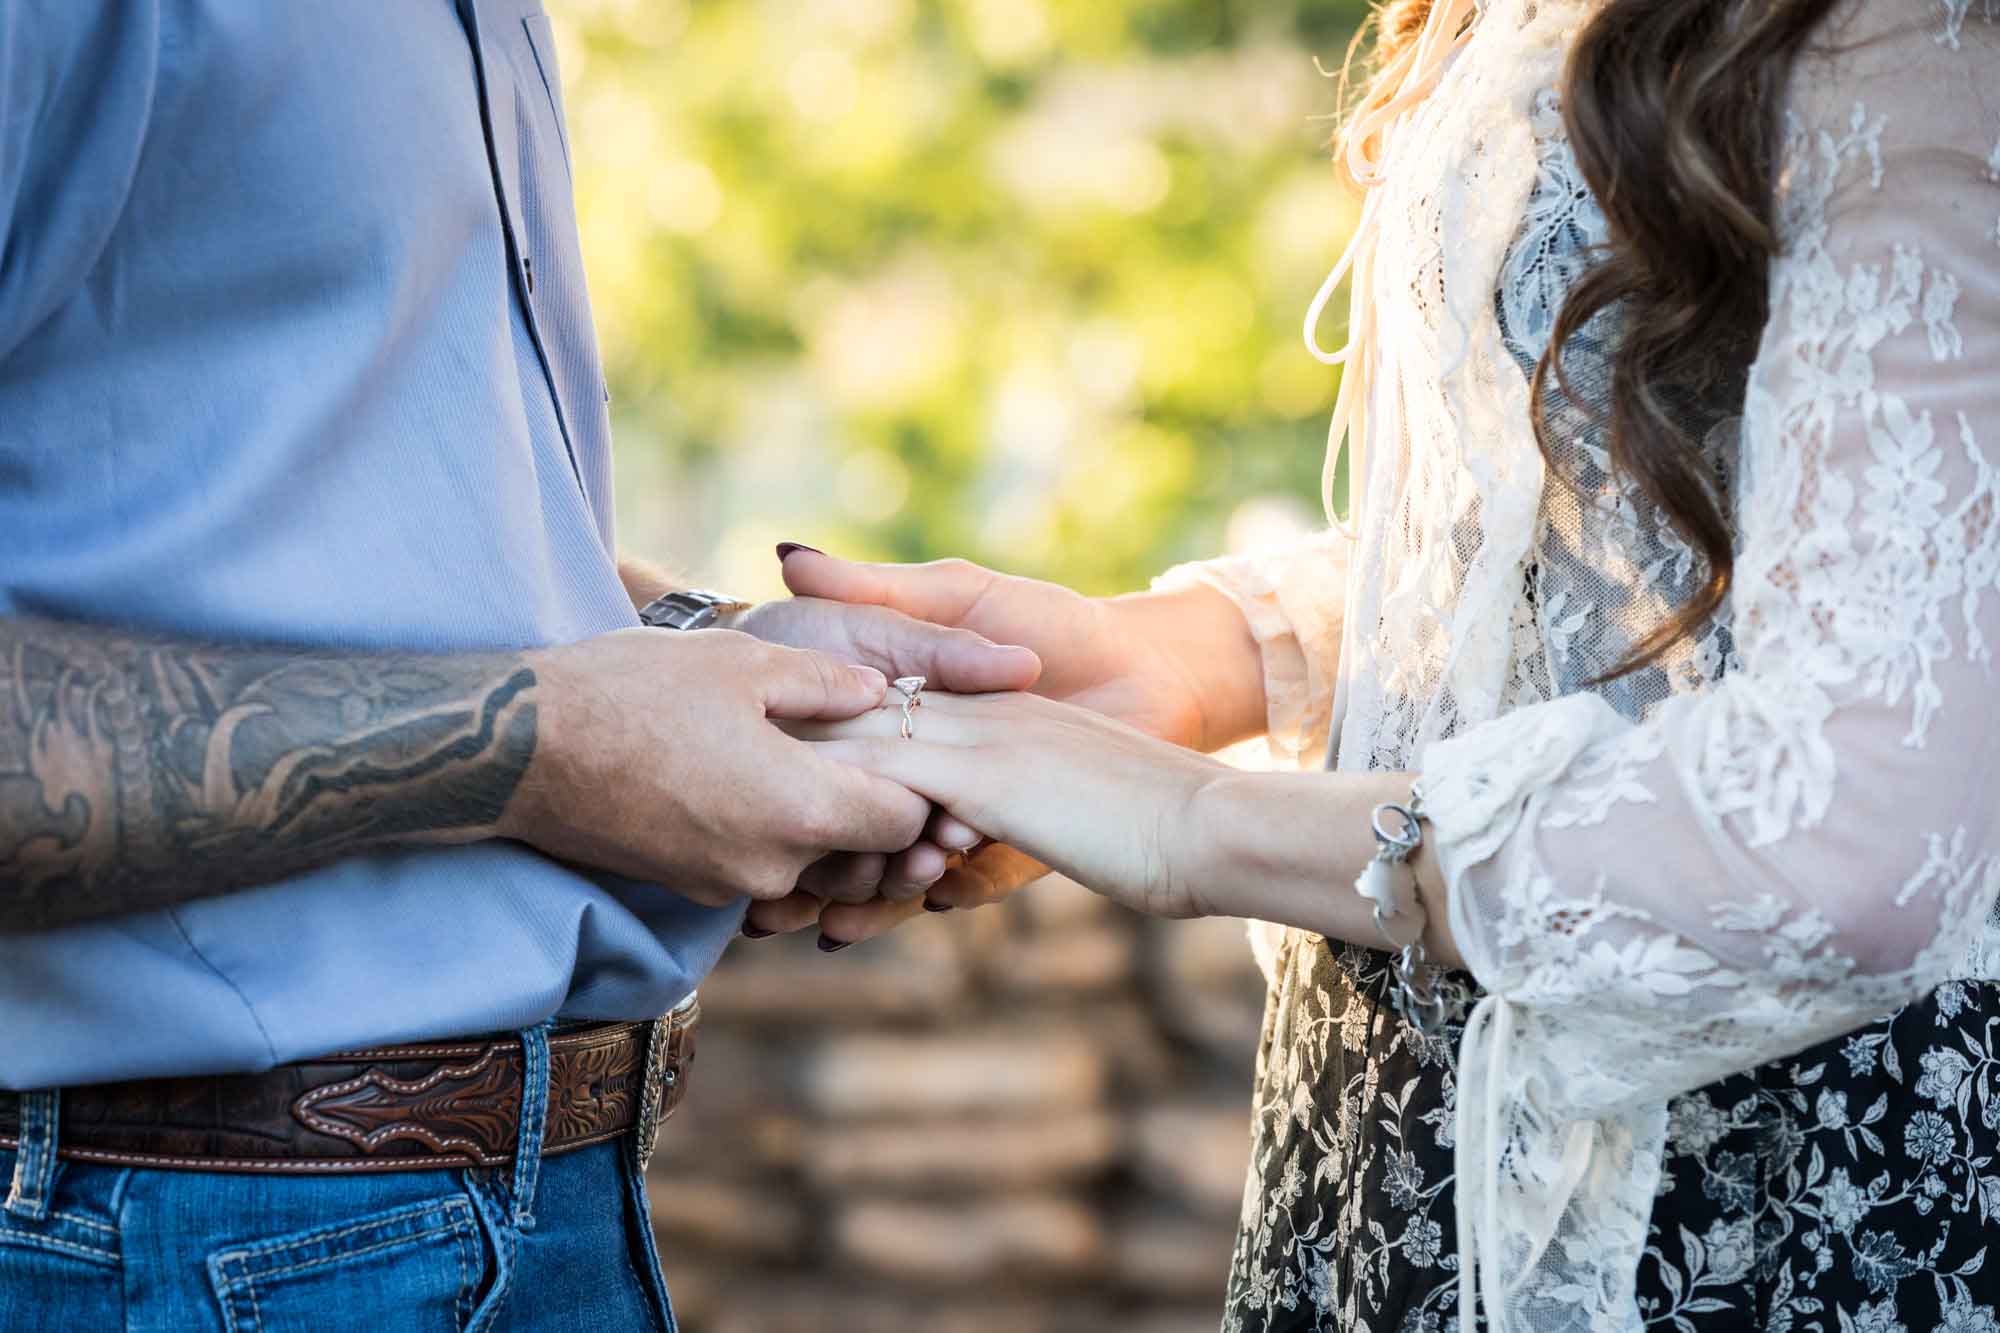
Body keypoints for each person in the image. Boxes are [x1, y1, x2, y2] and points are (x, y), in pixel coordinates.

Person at [790, 1, 2000, 1328]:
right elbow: (1630, 526)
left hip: (1780, 1173)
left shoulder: (1924, 41)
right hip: (1405, 1109)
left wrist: (1193, 821)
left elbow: (1859, 824)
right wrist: (1217, 656)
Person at [0, 4, 1041, 1330]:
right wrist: (550, 746)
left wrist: (713, 657)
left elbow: (367, 546)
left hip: (554, 1215)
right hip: (181, 1241)